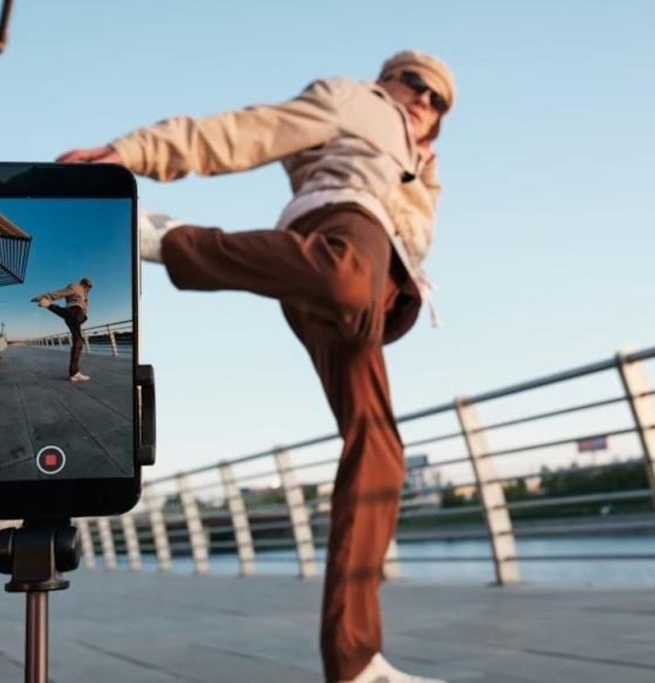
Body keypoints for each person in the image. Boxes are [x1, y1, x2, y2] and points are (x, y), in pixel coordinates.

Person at [58, 50, 455, 683]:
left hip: (374, 285)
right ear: (388, 79)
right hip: (339, 240)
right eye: (417, 85)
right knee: (347, 281)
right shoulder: (355, 102)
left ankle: (356, 663)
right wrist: (130, 150)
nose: (425, 102)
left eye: (439, 103)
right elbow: (246, 130)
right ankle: (167, 237)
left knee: (380, 452)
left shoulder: (424, 164)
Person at [32, 277, 93, 383]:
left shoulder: (84, 294)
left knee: (78, 341)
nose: (88, 289)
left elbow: (84, 306)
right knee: (78, 341)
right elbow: (61, 293)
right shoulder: (76, 287)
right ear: (83, 283)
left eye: (89, 288)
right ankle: (74, 373)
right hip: (75, 312)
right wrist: (44, 296)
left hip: (73, 315)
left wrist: (86, 299)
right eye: (87, 286)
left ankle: (49, 305)